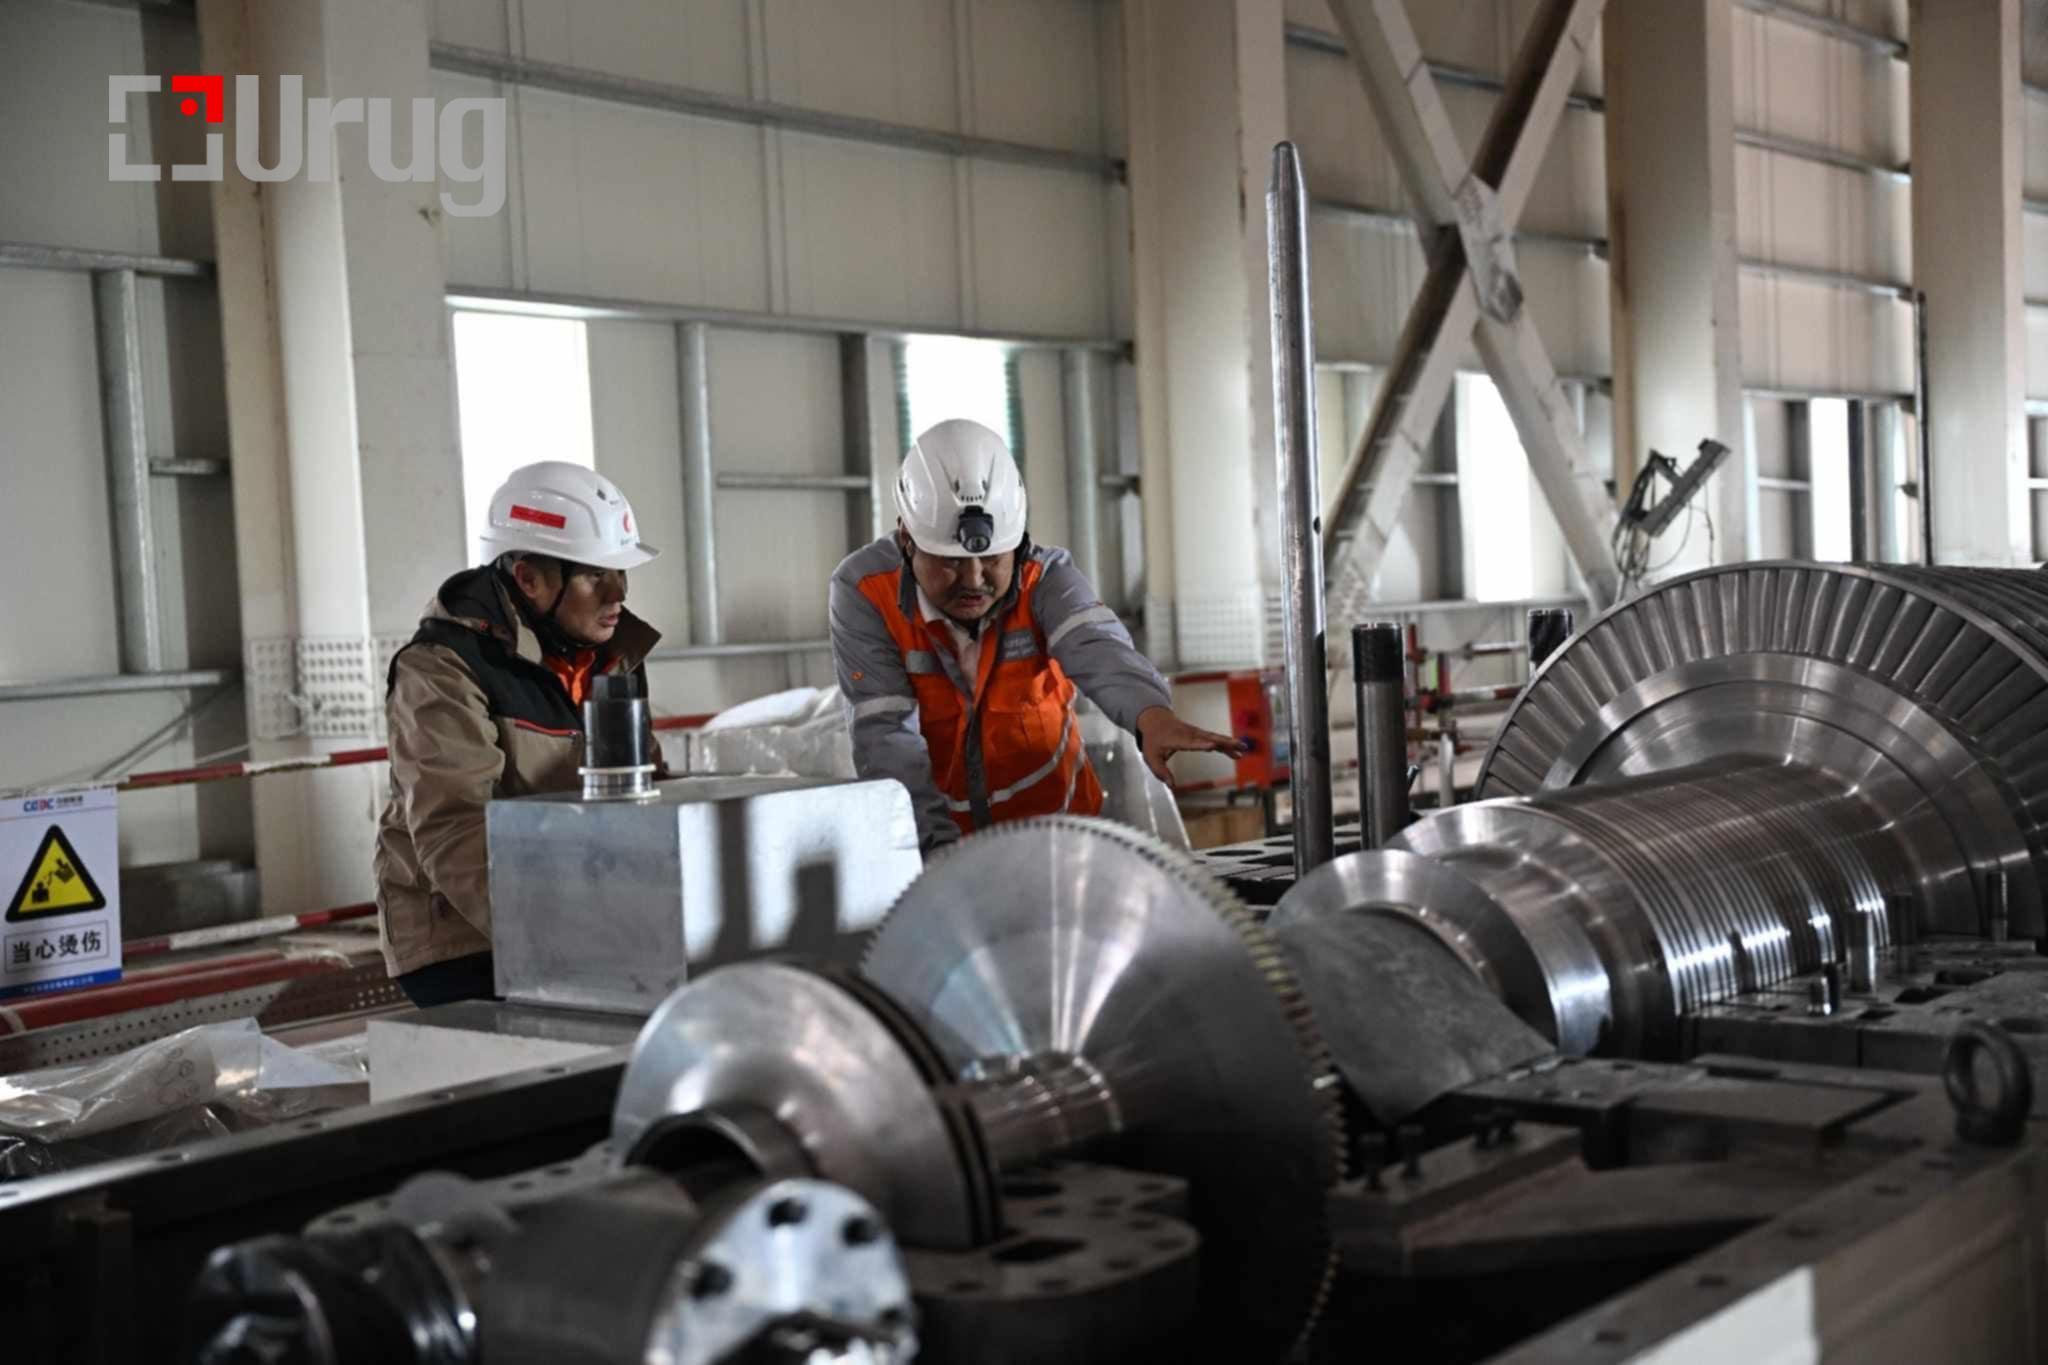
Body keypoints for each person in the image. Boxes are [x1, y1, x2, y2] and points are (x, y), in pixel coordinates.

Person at [830, 418, 1243, 852]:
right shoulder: (865, 591)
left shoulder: (1045, 579)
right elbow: (886, 737)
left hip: (1062, 845)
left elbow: (1098, 647)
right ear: (907, 540)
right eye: (951, 561)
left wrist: (1150, 715)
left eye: (992, 559)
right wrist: (938, 857)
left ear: (1018, 542)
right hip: (945, 852)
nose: (973, 579)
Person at [374, 461, 663, 1006]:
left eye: (622, 572)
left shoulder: (612, 656)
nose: (618, 594)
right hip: (464, 938)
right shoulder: (443, 666)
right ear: (529, 579)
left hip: (582, 911)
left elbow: (649, 790)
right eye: (594, 575)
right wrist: (575, 940)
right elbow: (455, 830)